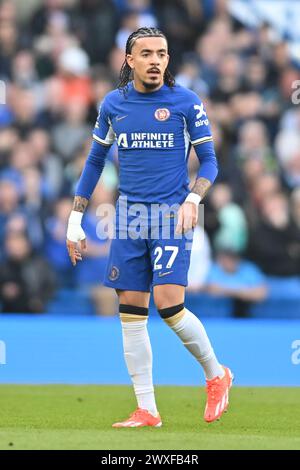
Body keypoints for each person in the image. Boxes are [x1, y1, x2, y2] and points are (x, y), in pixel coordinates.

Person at [66, 27, 233, 427]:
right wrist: (75, 219)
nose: (155, 60)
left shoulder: (185, 102)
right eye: (146, 54)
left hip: (171, 214)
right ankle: (147, 409)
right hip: (128, 218)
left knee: (169, 305)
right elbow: (94, 162)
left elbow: (210, 160)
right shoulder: (113, 105)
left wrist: (194, 199)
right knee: (131, 313)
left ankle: (216, 374)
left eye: (161, 53)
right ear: (130, 60)